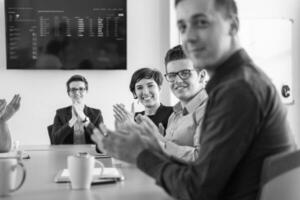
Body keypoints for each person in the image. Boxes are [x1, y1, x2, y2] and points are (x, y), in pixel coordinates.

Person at [91, 0, 297, 200]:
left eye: (201, 22)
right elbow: (201, 174)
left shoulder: (239, 89)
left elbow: (197, 189)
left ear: (233, 25)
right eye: (183, 26)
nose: (188, 36)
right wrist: (151, 147)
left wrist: (141, 154)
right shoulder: (234, 82)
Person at [157, 45, 208, 162]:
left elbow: (202, 159)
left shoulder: (211, 109)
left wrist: (161, 145)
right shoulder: (175, 114)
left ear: (201, 76)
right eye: (172, 75)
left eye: (185, 73)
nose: (178, 81)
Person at [113, 68, 173, 135]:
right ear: (135, 93)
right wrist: (121, 132)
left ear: (159, 88)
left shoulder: (174, 113)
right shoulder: (132, 119)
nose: (145, 92)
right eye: (139, 88)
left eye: (150, 85)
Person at [52, 75, 103, 145]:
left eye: (81, 89)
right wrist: (72, 120)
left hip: (90, 154)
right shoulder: (60, 113)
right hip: (67, 154)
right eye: (73, 89)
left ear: (86, 91)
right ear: (68, 93)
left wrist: (85, 120)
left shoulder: (97, 113)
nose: (77, 92)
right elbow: (55, 141)